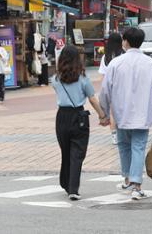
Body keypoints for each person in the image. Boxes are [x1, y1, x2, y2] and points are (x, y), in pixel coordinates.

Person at [100, 27, 152, 200]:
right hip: (143, 113)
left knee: (123, 146)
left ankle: (127, 178)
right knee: (138, 147)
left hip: (121, 113)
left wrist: (105, 113)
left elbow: (105, 90)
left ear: (125, 41)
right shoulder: (151, 63)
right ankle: (136, 185)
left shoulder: (115, 63)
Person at [51, 45, 107, 201]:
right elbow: (92, 99)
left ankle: (66, 183)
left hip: (62, 116)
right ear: (78, 60)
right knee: (77, 153)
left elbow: (59, 92)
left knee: (66, 151)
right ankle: (73, 189)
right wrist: (102, 115)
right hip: (79, 117)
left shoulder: (55, 79)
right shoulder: (83, 79)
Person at [99, 33, 124, 145]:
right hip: (123, 86)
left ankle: (114, 136)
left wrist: (104, 90)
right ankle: (123, 132)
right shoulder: (124, 55)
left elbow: (103, 76)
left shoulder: (106, 57)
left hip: (111, 87)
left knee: (112, 112)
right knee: (123, 111)